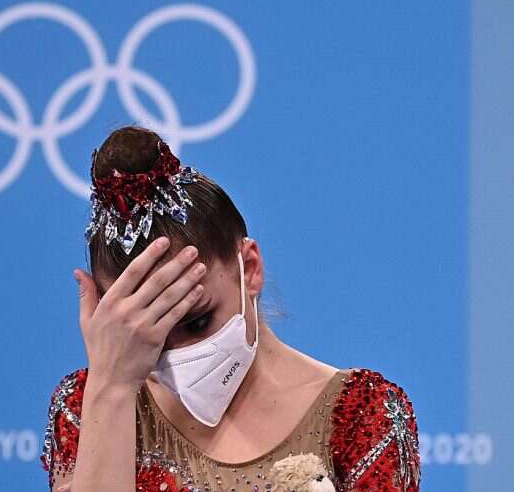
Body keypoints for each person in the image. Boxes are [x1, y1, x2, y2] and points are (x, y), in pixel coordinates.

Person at [39, 126, 421, 492]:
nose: (178, 355)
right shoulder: (85, 408)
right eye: (145, 334)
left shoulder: (362, 416)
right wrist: (112, 387)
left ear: (250, 269)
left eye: (197, 321)